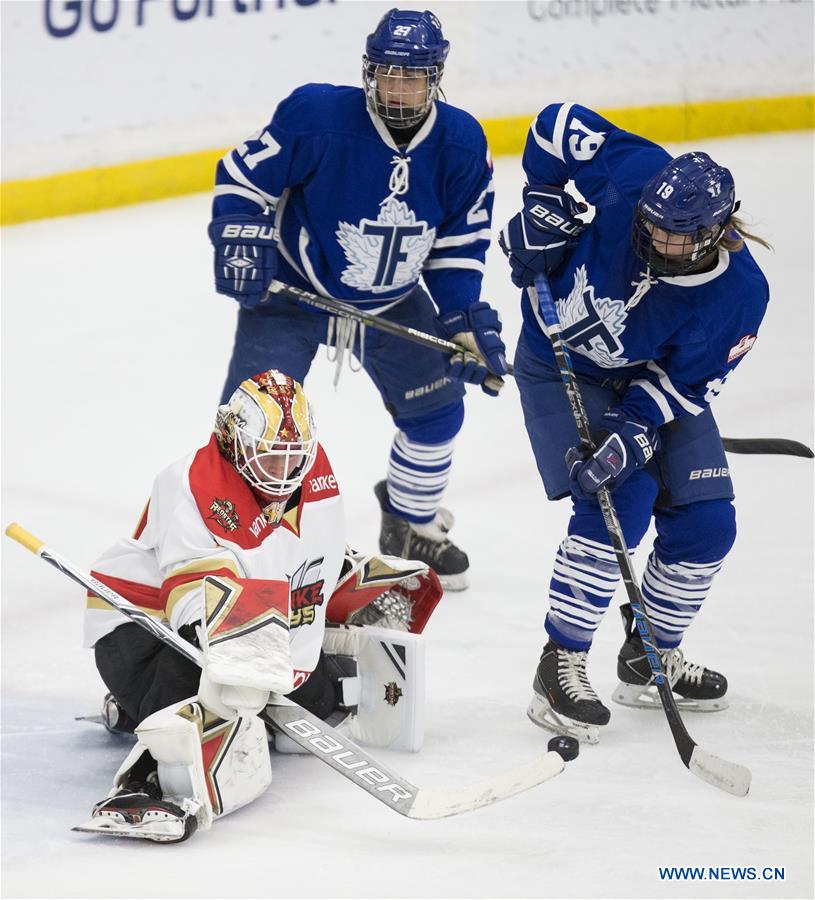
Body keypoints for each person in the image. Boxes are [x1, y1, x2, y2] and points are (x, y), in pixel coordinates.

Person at [207, 8, 508, 591]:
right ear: (369, 72)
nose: (398, 88)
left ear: (435, 79)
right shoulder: (318, 115)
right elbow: (244, 178)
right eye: (388, 74)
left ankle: (410, 523)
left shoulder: (462, 143)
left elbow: (457, 243)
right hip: (292, 295)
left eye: (412, 77)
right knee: (251, 424)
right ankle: (226, 542)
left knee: (437, 413)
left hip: (393, 299)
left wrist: (462, 318)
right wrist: (243, 231)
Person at [498, 103, 770, 743]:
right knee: (623, 496)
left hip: (643, 381)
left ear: (715, 231)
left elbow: (683, 384)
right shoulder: (639, 172)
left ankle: (650, 657)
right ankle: (558, 662)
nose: (658, 245)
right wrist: (540, 204)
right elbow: (555, 122)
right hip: (556, 360)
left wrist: (636, 426)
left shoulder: (740, 296)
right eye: (652, 230)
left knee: (709, 522)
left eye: (678, 238)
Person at [77, 369, 440, 842]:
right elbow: (195, 604)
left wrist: (344, 580)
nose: (285, 475)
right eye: (270, 460)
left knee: (319, 701)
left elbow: (301, 557)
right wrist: (246, 665)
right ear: (234, 440)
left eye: (294, 460)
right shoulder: (190, 482)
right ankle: (150, 781)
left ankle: (140, 712)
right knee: (211, 689)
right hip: (143, 633)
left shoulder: (313, 472)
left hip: (255, 623)